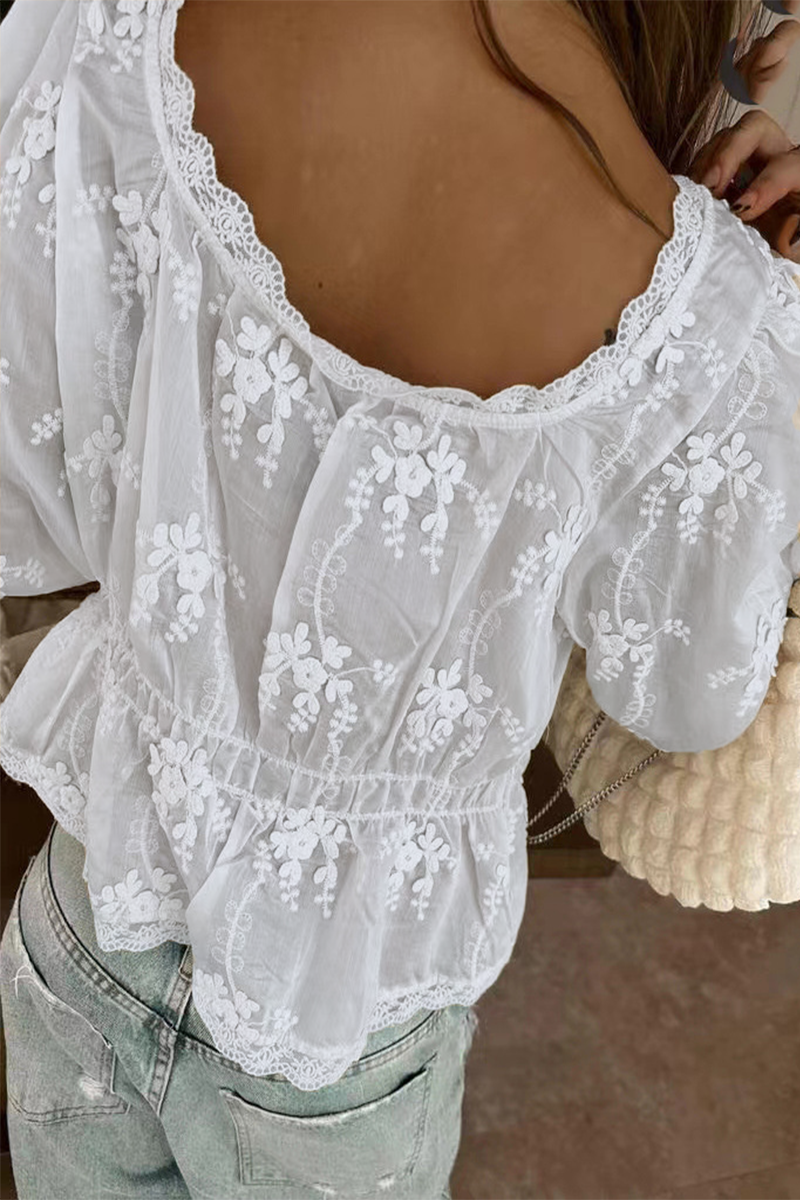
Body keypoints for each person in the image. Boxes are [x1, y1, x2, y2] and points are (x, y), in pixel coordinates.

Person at [0, 1, 798, 1197]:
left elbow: (33, 431)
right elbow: (687, 696)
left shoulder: (135, 25)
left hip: (90, 908)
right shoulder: (701, 318)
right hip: (335, 1045)